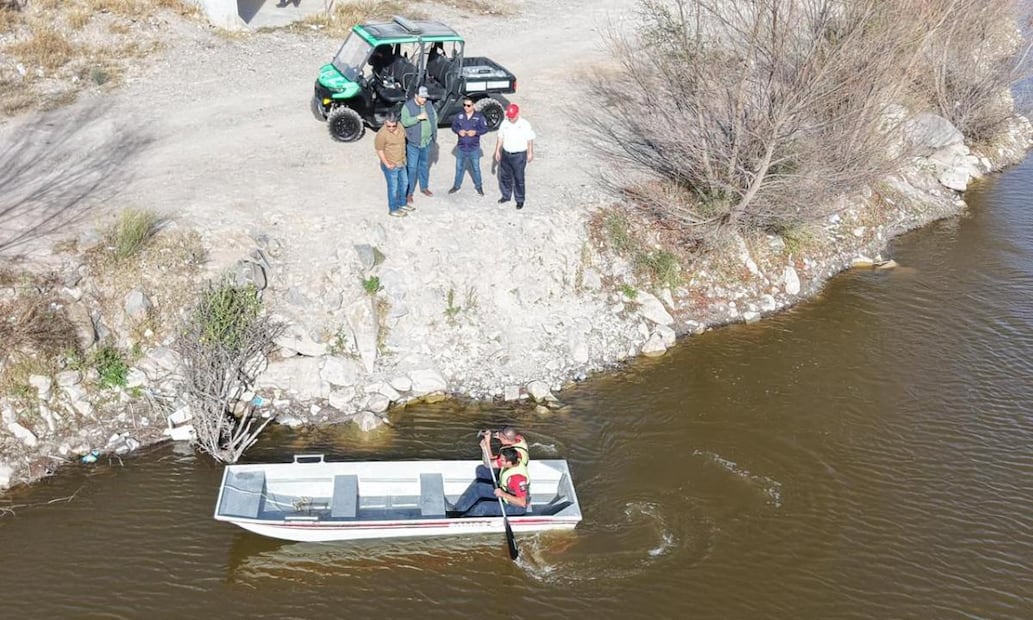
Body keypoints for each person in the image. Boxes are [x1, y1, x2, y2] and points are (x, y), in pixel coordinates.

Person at [451, 447, 530, 517]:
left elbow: (522, 503)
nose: (499, 461)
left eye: (501, 460)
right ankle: (457, 510)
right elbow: (489, 464)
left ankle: (465, 519)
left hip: (515, 506)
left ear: (509, 462)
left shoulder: (518, 479)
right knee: (478, 487)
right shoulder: (512, 461)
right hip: (504, 493)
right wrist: (484, 448)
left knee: (483, 507)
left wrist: (503, 494)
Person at [494, 103, 535, 210]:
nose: (510, 119)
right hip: (506, 154)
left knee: (519, 178)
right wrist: (497, 151)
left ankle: (520, 200)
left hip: (519, 156)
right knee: (505, 177)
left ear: (517, 114)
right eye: (509, 117)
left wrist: (530, 152)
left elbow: (529, 139)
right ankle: (506, 195)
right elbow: (500, 137)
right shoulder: (504, 123)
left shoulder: (525, 124)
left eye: (512, 117)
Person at [401, 85, 438, 205]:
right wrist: (418, 118)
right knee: (412, 169)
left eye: (425, 97)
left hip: (426, 142)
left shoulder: (428, 105)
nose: (424, 100)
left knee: (424, 166)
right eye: (422, 97)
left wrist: (433, 134)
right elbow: (404, 122)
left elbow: (435, 118)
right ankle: (409, 193)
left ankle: (424, 188)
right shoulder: (407, 106)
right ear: (416, 96)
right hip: (413, 144)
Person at [448, 98, 487, 196]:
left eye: (468, 105)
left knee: (476, 168)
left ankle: (479, 186)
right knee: (459, 168)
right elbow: (454, 127)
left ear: (473, 105)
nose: (466, 107)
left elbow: (485, 129)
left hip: (474, 148)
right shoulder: (459, 116)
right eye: (464, 105)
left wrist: (476, 132)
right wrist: (458, 131)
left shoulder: (479, 117)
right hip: (461, 148)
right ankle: (456, 186)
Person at [373, 112, 410, 218]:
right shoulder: (381, 134)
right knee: (393, 188)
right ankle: (393, 209)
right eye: (389, 126)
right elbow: (379, 150)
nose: (391, 128)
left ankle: (402, 204)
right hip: (391, 165)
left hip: (402, 162)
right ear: (385, 123)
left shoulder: (401, 127)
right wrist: (387, 164)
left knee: (405, 183)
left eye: (394, 126)